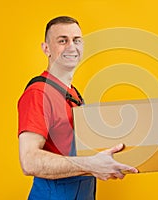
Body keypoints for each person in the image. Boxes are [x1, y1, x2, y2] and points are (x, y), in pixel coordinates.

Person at [17, 16, 138, 200]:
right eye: (62, 40)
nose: (71, 46)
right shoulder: (39, 93)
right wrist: (91, 164)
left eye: (77, 40)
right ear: (46, 48)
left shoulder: (73, 94)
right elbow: (29, 161)